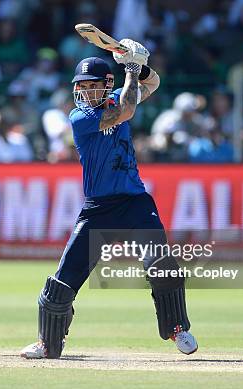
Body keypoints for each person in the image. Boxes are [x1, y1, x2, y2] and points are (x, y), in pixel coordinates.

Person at [20, 41, 197, 359]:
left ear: (107, 85)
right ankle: (47, 343)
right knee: (62, 282)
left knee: (160, 264)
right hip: (98, 209)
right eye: (82, 87)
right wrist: (130, 68)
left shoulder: (118, 96)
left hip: (135, 203)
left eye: (93, 86)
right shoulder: (79, 117)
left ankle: (177, 330)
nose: (87, 93)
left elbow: (152, 82)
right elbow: (126, 111)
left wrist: (139, 65)